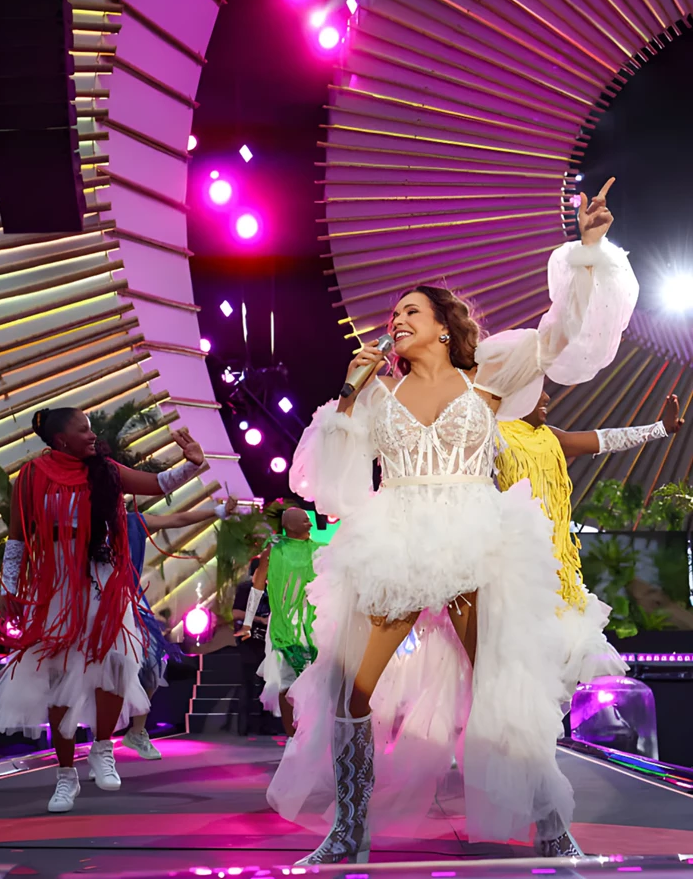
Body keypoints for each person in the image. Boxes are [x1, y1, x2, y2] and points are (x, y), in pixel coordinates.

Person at [267, 179, 639, 861]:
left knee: (501, 681)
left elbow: (561, 334)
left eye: (411, 309)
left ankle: (553, 827)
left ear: (443, 322)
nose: (397, 318)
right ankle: (348, 831)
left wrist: (588, 251)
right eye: (394, 313)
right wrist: (349, 397)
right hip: (398, 536)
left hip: (474, 532)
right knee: (351, 685)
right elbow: (336, 480)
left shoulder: (488, 372)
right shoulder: (379, 391)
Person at [0, 408, 207, 813]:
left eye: (91, 428)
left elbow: (158, 484)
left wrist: (193, 464)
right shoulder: (32, 476)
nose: (93, 435)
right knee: (57, 678)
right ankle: (65, 775)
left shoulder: (103, 469)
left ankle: (102, 748)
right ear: (60, 439)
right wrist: (10, 587)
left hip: (102, 580)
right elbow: (18, 539)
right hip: (55, 587)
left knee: (118, 662)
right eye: (83, 429)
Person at [497, 392, 685, 702]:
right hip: (515, 575)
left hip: (561, 579)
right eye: (536, 387)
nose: (546, 395)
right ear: (514, 390)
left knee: (589, 659)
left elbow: (604, 439)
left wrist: (660, 428)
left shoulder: (549, 437)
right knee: (520, 676)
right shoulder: (492, 435)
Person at [123, 495, 238, 759]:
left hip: (131, 601)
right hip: (95, 602)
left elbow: (177, 518)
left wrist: (217, 510)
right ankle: (99, 745)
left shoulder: (134, 522)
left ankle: (137, 731)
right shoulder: (85, 525)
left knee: (153, 663)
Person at [235, 508, 323, 738]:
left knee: (315, 677)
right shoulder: (274, 551)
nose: (309, 520)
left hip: (314, 621)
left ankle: (312, 733)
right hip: (283, 622)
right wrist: (247, 623)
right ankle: (292, 737)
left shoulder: (319, 551)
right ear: (289, 525)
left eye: (308, 517)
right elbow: (258, 586)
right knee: (287, 679)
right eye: (303, 518)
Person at [232, 564, 271, 736]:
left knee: (267, 684)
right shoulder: (245, 588)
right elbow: (236, 613)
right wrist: (259, 620)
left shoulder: (274, 587)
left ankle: (265, 725)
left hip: (268, 641)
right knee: (247, 684)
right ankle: (243, 726)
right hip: (248, 641)